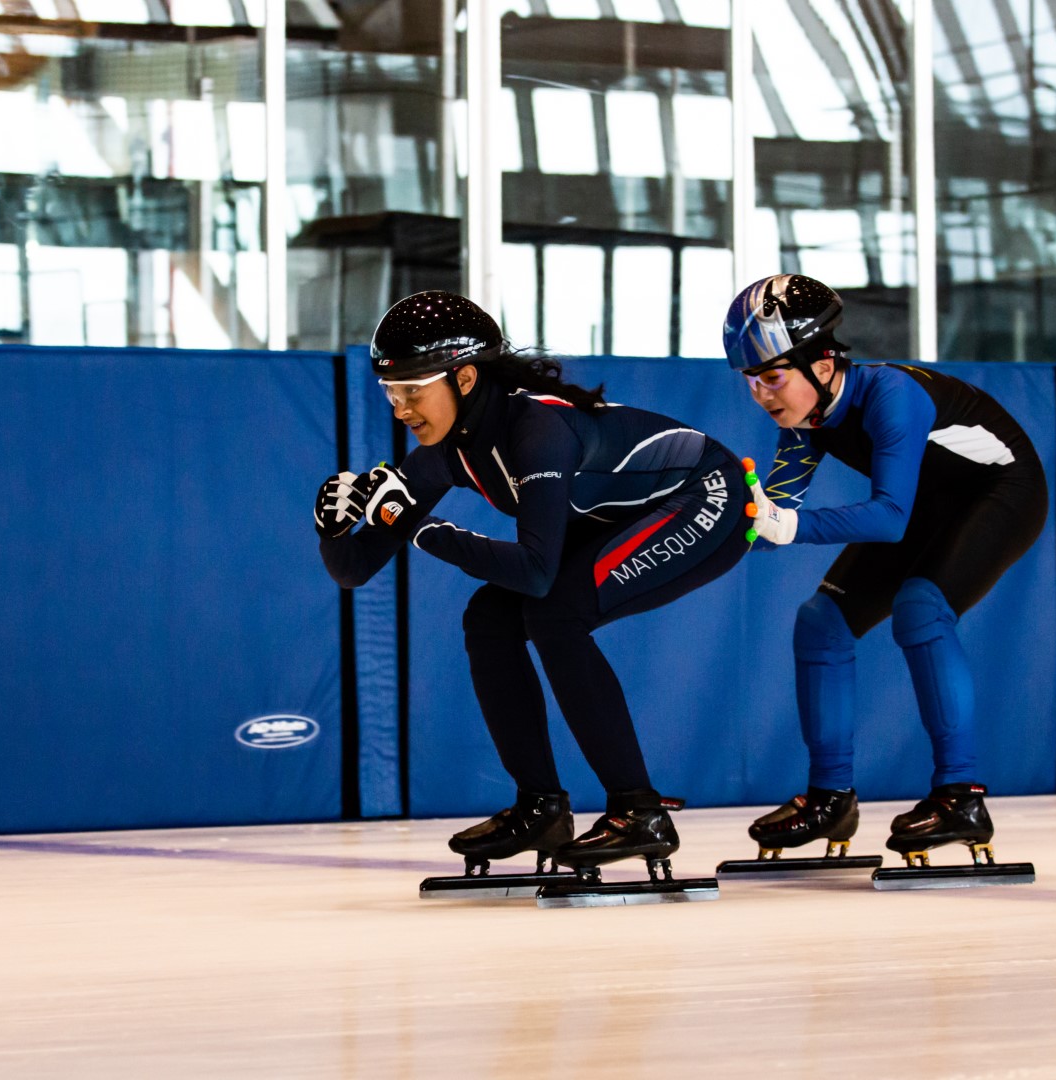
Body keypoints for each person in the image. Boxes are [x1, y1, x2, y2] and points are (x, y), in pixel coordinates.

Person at [316, 291, 753, 884]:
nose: (400, 408)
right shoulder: (445, 448)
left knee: (555, 615)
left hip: (707, 496)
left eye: (413, 391)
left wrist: (422, 528)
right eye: (391, 392)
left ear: (464, 377)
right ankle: (541, 809)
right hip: (625, 514)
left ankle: (640, 812)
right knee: (490, 618)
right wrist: (334, 528)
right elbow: (356, 569)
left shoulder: (537, 431)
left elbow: (536, 572)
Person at [724, 274, 1047, 869]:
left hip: (1002, 491)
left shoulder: (891, 396)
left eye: (772, 376)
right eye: (749, 380)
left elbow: (889, 518)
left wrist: (782, 525)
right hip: (929, 500)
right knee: (820, 623)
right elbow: (771, 522)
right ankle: (830, 799)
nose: (762, 395)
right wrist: (719, 523)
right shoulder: (803, 422)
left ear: (822, 365)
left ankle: (961, 797)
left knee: (921, 607)